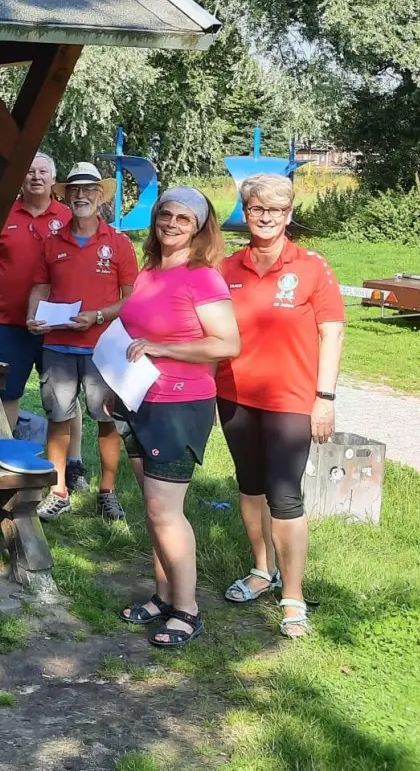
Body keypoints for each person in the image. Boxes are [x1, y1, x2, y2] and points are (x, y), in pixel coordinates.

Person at [217, 174, 344, 638]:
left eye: (275, 210)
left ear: (289, 215)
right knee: (249, 486)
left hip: (292, 400)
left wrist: (324, 398)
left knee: (284, 494)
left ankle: (292, 595)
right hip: (233, 396)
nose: (265, 217)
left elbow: (332, 331)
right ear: (245, 213)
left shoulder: (312, 267)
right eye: (256, 209)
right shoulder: (227, 268)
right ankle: (261, 570)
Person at [114, 187, 239, 648]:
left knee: (167, 512)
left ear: (200, 228)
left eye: (183, 219)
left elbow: (227, 343)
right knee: (153, 508)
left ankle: (188, 610)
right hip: (137, 398)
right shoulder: (150, 271)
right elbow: (131, 333)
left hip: (179, 403)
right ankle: (164, 595)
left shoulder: (202, 277)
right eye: (165, 214)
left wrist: (163, 349)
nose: (170, 224)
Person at [27, 163, 138, 522]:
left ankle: (107, 492)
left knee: (107, 421)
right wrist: (34, 316)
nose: (81, 196)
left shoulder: (119, 243)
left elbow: (131, 298)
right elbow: (41, 286)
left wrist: (99, 316)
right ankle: (58, 490)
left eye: (89, 190)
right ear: (66, 196)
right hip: (57, 346)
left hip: (102, 348)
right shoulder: (52, 241)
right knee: (58, 418)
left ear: (101, 197)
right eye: (74, 190)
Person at [0, 154, 88, 489]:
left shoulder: (68, 217)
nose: (35, 177)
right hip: (9, 322)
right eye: (29, 171)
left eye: (43, 171)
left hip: (60, 326)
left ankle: (73, 465)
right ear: (20, 178)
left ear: (53, 179)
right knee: (7, 394)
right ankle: (5, 462)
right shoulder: (2, 216)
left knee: (65, 399)